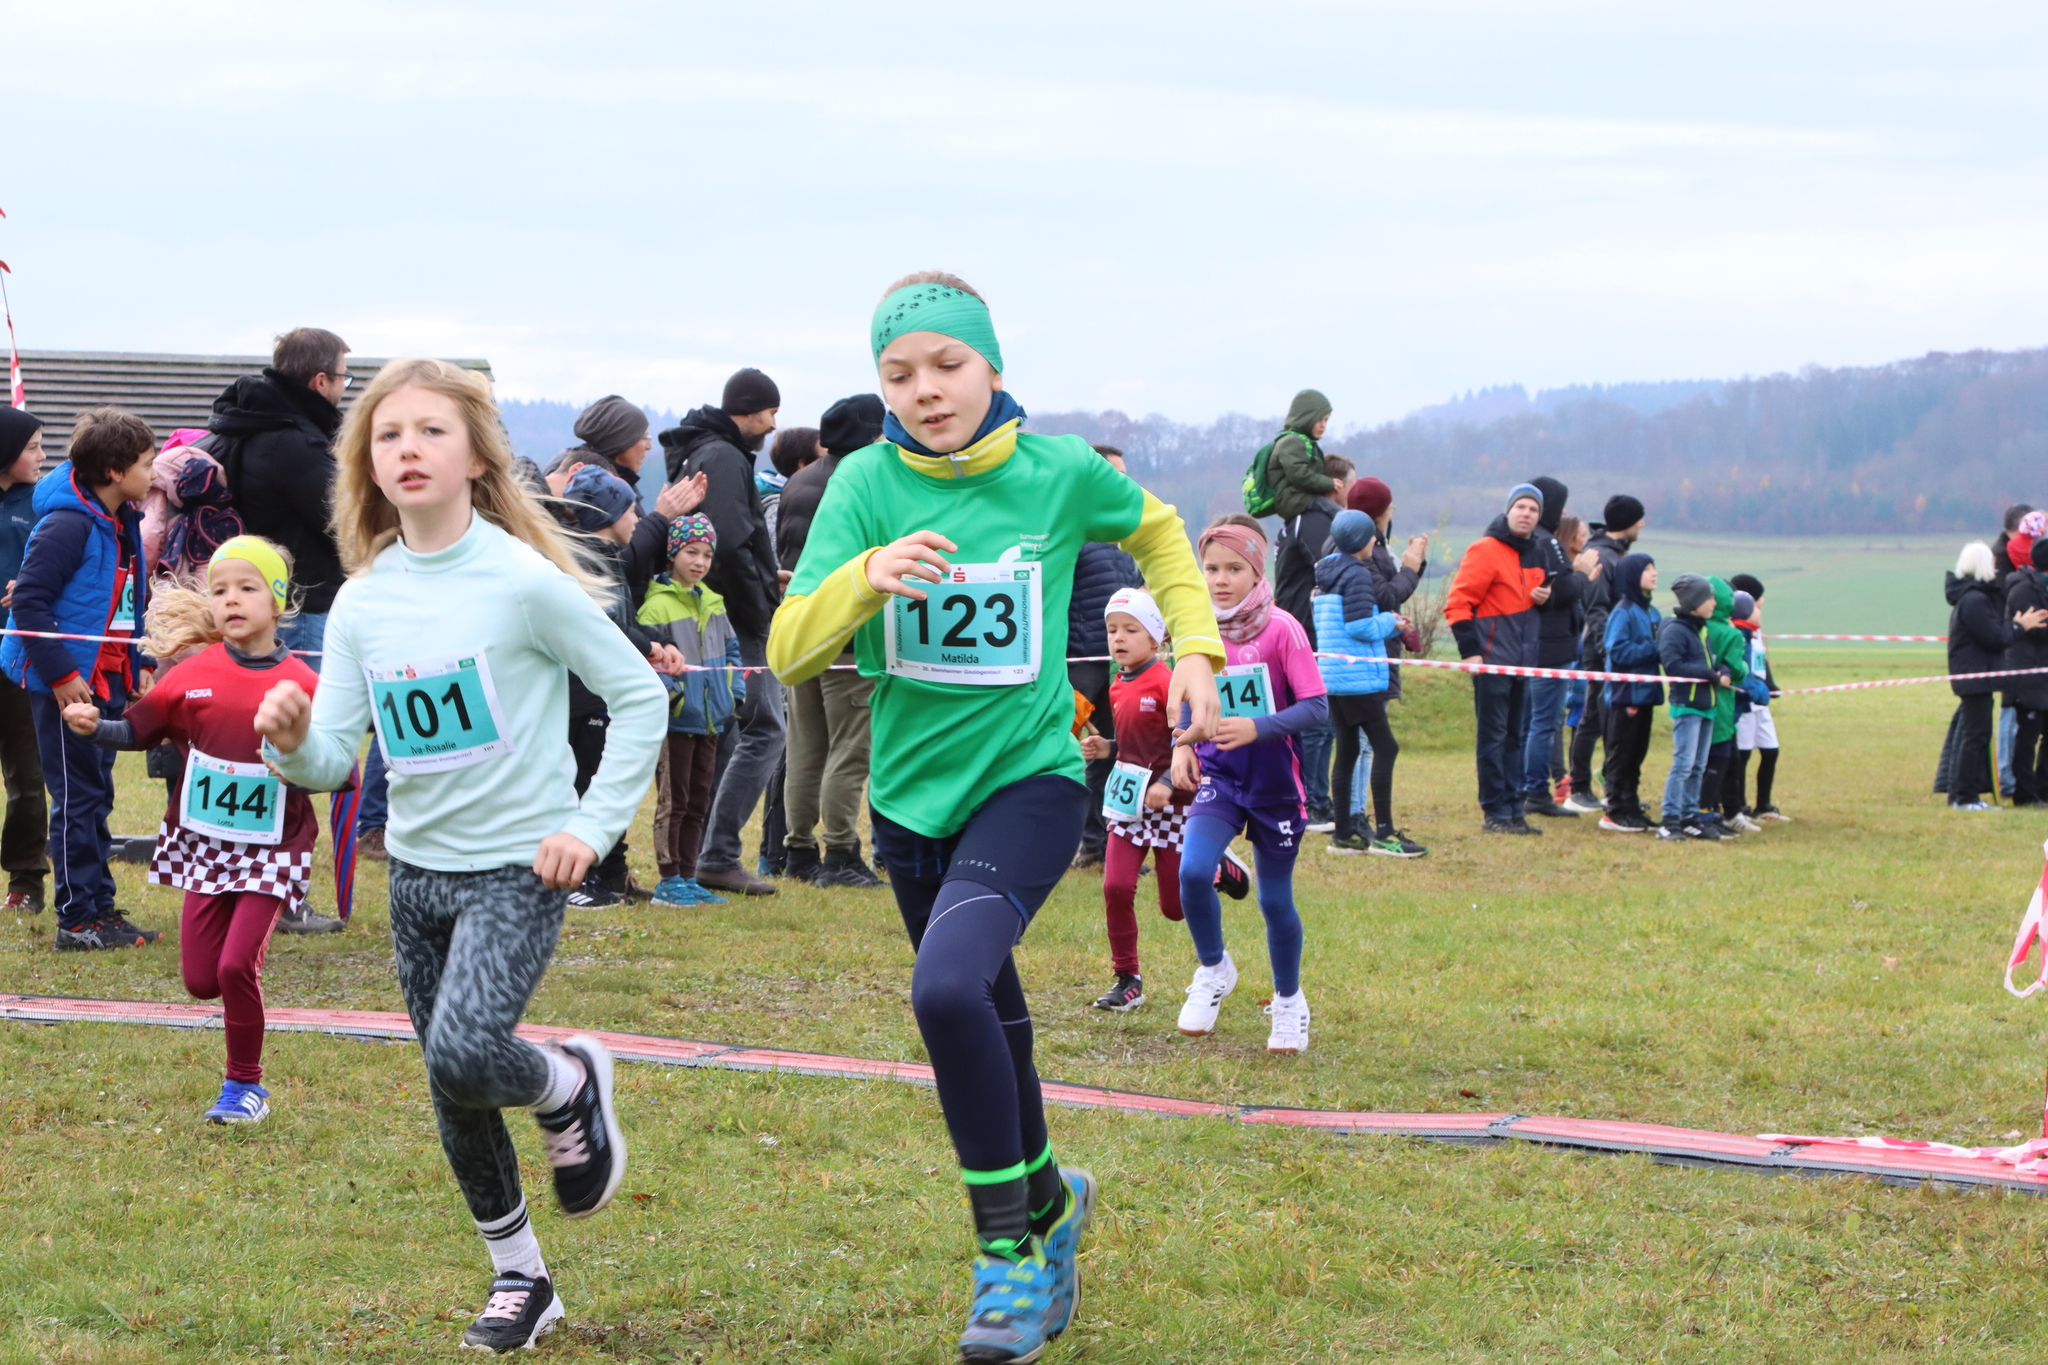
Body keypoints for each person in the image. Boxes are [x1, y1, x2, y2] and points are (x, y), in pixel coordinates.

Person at [768, 272, 1222, 1361]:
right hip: (907, 804)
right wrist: (865, 576)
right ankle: (1052, 1200)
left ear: (993, 368)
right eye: (898, 374)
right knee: (986, 1006)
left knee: (943, 988)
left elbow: (1163, 534)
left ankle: (1006, 1251)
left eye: (947, 365)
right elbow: (790, 649)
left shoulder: (1056, 471)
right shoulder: (863, 485)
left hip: (1029, 782)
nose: (924, 390)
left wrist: (1197, 647)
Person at [255, 358, 666, 1352]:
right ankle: (521, 1278)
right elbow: (332, 759)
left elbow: (638, 697)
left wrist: (588, 829)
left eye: (432, 430)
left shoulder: (522, 583)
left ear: (478, 456)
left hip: (518, 867)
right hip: (417, 875)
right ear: (367, 463)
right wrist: (290, 740)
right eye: (388, 434)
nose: (408, 448)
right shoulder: (363, 601)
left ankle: (568, 1081)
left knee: (468, 1051)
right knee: (453, 1085)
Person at [65, 536, 320, 1122]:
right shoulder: (193, 674)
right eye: (220, 589)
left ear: (277, 600)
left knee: (235, 967)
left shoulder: (302, 683)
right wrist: (93, 726)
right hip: (205, 845)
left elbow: (336, 771)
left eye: (247, 588)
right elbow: (137, 729)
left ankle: (245, 1087)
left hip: (274, 849)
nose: (231, 599)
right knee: (202, 980)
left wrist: (297, 756)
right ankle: (240, 1060)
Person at [1, 407, 160, 949]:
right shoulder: (67, 524)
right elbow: (29, 601)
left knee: (97, 793)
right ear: (115, 471)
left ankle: (100, 908)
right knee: (77, 797)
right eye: (146, 463)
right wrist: (63, 676)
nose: (154, 472)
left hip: (107, 679)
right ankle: (76, 920)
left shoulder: (124, 520)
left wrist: (139, 660)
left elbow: (129, 600)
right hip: (68, 687)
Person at [1174, 516, 1325, 1053]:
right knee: (1193, 871)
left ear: (1258, 571)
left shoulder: (1282, 629)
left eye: (1234, 569)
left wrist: (1258, 727)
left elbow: (1316, 706)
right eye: (1211, 568)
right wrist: (1183, 744)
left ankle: (1288, 1002)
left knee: (1274, 901)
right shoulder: (1198, 631)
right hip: (1220, 777)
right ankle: (1214, 969)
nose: (1220, 579)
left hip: (1276, 786)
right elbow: (1188, 698)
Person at [660, 367, 785, 896]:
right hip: (736, 619)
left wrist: (767, 573)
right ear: (750, 410)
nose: (774, 424)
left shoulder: (700, 452)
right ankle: (718, 854)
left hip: (712, 614)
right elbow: (730, 543)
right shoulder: (727, 457)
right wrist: (760, 604)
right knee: (767, 729)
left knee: (728, 734)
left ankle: (696, 859)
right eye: (771, 412)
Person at [776, 395, 886, 888]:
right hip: (850, 636)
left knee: (805, 747)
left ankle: (798, 850)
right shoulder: (864, 482)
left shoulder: (797, 481)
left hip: (803, 634)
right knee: (850, 749)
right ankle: (840, 852)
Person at [557, 465, 677, 906]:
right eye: (630, 510)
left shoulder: (608, 557)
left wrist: (654, 642)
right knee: (587, 785)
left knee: (604, 781)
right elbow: (605, 623)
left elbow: (624, 620)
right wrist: (650, 645)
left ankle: (612, 876)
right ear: (607, 514)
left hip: (600, 696)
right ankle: (586, 881)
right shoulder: (585, 562)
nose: (637, 518)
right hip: (582, 697)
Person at [1079, 586, 1189, 1012]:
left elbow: (1189, 741)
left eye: (1131, 629)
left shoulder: (1168, 682)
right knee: (1116, 886)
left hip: (1172, 805)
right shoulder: (1117, 684)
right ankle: (1128, 979)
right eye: (1112, 630)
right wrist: (1107, 748)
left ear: (1156, 637)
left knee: (1174, 908)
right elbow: (1134, 744)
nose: (1119, 638)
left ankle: (1214, 866)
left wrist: (1165, 782)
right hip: (1129, 805)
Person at [638, 513, 743, 905]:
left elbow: (732, 653)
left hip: (712, 719)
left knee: (699, 800)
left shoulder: (714, 603)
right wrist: (675, 699)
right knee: (675, 802)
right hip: (678, 722)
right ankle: (668, 880)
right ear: (673, 554)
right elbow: (647, 663)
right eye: (691, 552)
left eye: (707, 555)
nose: (699, 562)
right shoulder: (655, 607)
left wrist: (732, 695)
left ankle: (689, 873)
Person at [1313, 510, 1422, 856]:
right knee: (1386, 748)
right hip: (1358, 678)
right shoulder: (1358, 574)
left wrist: (1385, 622)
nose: (1376, 540)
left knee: (1346, 751)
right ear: (1362, 541)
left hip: (1335, 677)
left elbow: (1341, 623)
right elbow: (1359, 627)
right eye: (1372, 535)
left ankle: (1343, 834)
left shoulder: (1326, 572)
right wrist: (1391, 621)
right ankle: (1385, 835)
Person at [1444, 484, 1549, 834]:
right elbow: (1458, 603)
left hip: (1523, 661)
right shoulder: (1486, 549)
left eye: (1533, 509)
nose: (1526, 514)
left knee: (1516, 737)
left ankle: (1514, 809)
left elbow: (1541, 599)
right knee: (1493, 738)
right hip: (1491, 660)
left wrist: (1546, 596)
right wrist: (1470, 653)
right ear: (1508, 510)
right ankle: (1495, 812)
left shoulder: (1537, 552)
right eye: (1520, 507)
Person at [1068, 445, 1144, 868]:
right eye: (1116, 474)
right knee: (1061, 752)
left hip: (1117, 666)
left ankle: (1100, 843)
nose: (1125, 483)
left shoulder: (1122, 539)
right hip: (1076, 666)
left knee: (1112, 752)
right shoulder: (1071, 534)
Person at [1946, 544, 2043, 809]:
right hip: (1976, 678)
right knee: (1976, 737)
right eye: (1991, 561)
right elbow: (1995, 638)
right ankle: (1965, 797)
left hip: (1976, 677)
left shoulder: (1971, 597)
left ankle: (1961, 794)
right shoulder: (1974, 600)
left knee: (1975, 735)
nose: (1995, 565)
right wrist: (2020, 626)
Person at [1567, 494, 1646, 813]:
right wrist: (1607, 649)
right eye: (1639, 518)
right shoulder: (1600, 556)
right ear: (1627, 522)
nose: (1643, 524)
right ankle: (1579, 788)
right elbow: (1596, 608)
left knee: (1614, 721)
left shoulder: (1616, 554)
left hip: (1617, 649)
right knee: (1593, 718)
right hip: (1602, 650)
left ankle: (1614, 787)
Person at [0, 408, 49, 914]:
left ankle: (26, 882)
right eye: (32, 447)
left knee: (28, 779)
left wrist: (34, 588)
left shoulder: (41, 504)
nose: (41, 456)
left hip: (17, 661)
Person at [1520, 477, 1585, 819]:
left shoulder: (1527, 540)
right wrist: (1582, 574)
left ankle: (1521, 788)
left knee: (1528, 722)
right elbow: (1560, 591)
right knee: (1543, 724)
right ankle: (1535, 791)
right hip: (1552, 648)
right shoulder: (1550, 543)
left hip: (1530, 644)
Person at [1657, 573, 1730, 841]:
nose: (1713, 603)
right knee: (1683, 765)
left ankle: (1690, 817)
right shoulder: (1675, 630)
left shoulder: (1702, 629)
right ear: (1694, 602)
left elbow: (1709, 662)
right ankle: (1669, 820)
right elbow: (1673, 665)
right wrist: (1710, 675)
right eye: (1709, 598)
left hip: (1707, 706)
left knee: (1698, 766)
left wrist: (1722, 669)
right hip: (1688, 706)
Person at [1597, 553, 1662, 832]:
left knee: (1637, 755)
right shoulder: (1623, 612)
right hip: (1626, 695)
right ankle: (1614, 811)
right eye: (1647, 569)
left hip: (1647, 694)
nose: (1654, 573)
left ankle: (1631, 808)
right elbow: (1617, 651)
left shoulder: (1653, 612)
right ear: (1632, 576)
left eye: (1654, 568)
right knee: (1621, 755)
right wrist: (1656, 648)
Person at [1724, 576, 1786, 825]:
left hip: (1761, 701)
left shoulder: (1755, 632)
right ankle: (1739, 805)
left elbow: (1761, 662)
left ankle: (1764, 805)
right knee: (1743, 755)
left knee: (1771, 751)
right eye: (1758, 597)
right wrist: (1755, 689)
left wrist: (1770, 685)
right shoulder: (1738, 634)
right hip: (1746, 702)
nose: (1763, 601)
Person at [1694, 577, 1750, 838]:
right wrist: (1744, 669)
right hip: (1722, 702)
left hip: (1694, 701)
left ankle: (1697, 809)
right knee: (1719, 757)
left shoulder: (1696, 626)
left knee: (1696, 761)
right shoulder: (1731, 634)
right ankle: (1705, 811)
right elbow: (1737, 670)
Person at [1998, 505, 2038, 799]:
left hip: (2016, 649)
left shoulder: (2005, 554)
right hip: (2019, 653)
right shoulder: (2021, 573)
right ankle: (2010, 780)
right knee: (2015, 721)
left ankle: (2010, 779)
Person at [2005, 538, 2048, 806]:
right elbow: (2035, 630)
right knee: (2028, 737)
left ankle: (2044, 789)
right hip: (2028, 674)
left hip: (2043, 673)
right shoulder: (2023, 590)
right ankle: (2024, 793)